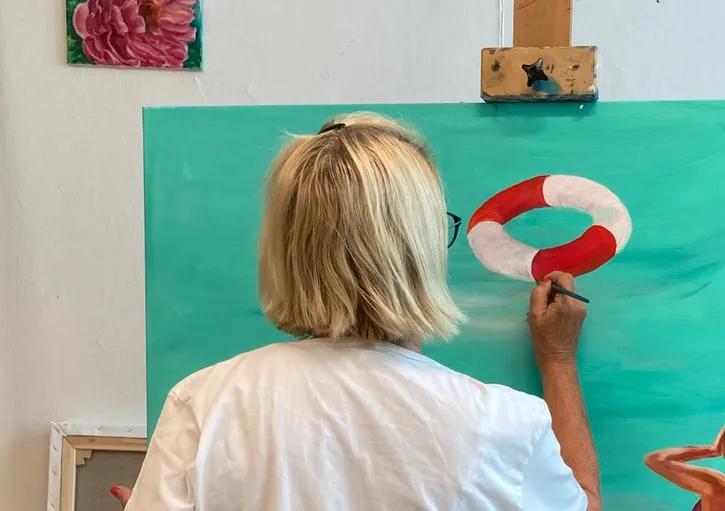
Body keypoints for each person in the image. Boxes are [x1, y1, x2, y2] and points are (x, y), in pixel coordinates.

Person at [112, 113, 602, 510]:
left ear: (286, 247)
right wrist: (558, 360)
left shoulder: (204, 401)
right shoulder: (502, 424)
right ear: (419, 247)